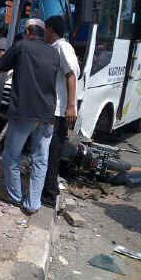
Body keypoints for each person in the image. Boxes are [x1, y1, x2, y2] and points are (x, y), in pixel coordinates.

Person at [0, 19, 59, 215]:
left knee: (11, 155)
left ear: (27, 31)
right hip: (47, 114)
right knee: (40, 159)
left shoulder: (21, 46)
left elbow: (2, 66)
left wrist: (3, 56)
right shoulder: (53, 51)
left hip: (24, 112)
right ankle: (33, 204)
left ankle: (15, 196)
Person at [42, 15, 80, 208]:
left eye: (44, 30)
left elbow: (71, 75)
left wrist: (71, 105)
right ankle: (47, 190)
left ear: (50, 29)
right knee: (47, 152)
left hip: (59, 111)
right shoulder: (54, 48)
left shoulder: (63, 48)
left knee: (52, 153)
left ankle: (49, 195)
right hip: (53, 109)